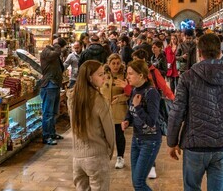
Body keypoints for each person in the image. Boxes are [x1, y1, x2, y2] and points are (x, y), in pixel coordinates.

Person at [167, 33, 223, 191]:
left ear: (199, 53)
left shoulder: (187, 77)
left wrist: (172, 142)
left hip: (195, 144)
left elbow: (176, 111)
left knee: (192, 187)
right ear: (221, 52)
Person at [69, 60, 114, 191]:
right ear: (90, 78)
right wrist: (109, 151)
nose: (104, 77)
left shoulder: (72, 98)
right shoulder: (100, 100)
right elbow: (110, 132)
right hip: (97, 156)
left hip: (77, 157)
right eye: (100, 75)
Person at [121, 60, 162, 191]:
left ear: (141, 75)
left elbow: (151, 121)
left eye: (130, 74)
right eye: (127, 73)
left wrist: (138, 108)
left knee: (139, 183)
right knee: (136, 181)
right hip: (136, 139)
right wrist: (127, 119)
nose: (127, 77)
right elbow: (131, 108)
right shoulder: (134, 90)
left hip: (150, 141)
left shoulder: (151, 93)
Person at [101, 54, 129, 170]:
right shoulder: (103, 75)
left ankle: (120, 157)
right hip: (105, 110)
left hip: (119, 110)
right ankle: (104, 157)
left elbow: (129, 93)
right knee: (104, 135)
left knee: (119, 135)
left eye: (118, 63)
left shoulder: (124, 76)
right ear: (109, 63)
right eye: (113, 63)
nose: (116, 66)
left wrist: (120, 97)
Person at [40, 37, 67, 145]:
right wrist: (57, 45)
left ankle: (52, 133)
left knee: (54, 112)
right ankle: (46, 136)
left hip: (55, 85)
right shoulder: (47, 52)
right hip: (49, 85)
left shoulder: (54, 53)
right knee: (48, 113)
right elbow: (54, 55)